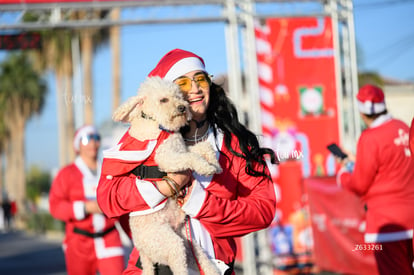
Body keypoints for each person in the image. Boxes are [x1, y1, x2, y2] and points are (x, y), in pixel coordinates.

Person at [97, 48, 277, 274]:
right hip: (153, 267)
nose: (195, 88)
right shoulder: (147, 135)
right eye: (183, 83)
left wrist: (200, 202)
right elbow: (107, 195)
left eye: (200, 79)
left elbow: (262, 210)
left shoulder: (236, 145)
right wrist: (166, 186)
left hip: (212, 267)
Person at [336, 84, 414, 275]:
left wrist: (343, 175)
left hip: (388, 224)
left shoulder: (370, 138)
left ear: (362, 113)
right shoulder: (403, 127)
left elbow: (360, 184)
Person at [49, 125, 125, 275]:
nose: (92, 143)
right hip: (78, 243)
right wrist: (86, 208)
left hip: (109, 238)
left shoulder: (110, 171)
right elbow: (55, 206)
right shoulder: (66, 174)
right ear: (78, 145)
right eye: (87, 138)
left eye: (96, 138)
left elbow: (124, 201)